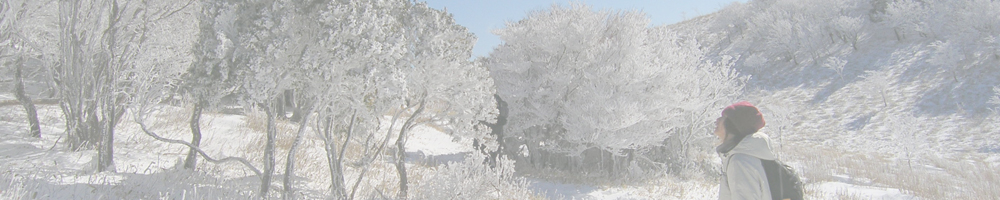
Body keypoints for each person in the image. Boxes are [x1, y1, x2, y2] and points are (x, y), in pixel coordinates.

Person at [715, 101, 777, 200]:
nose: (717, 120)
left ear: (733, 124)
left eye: (723, 117)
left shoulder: (740, 161)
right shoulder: (749, 156)